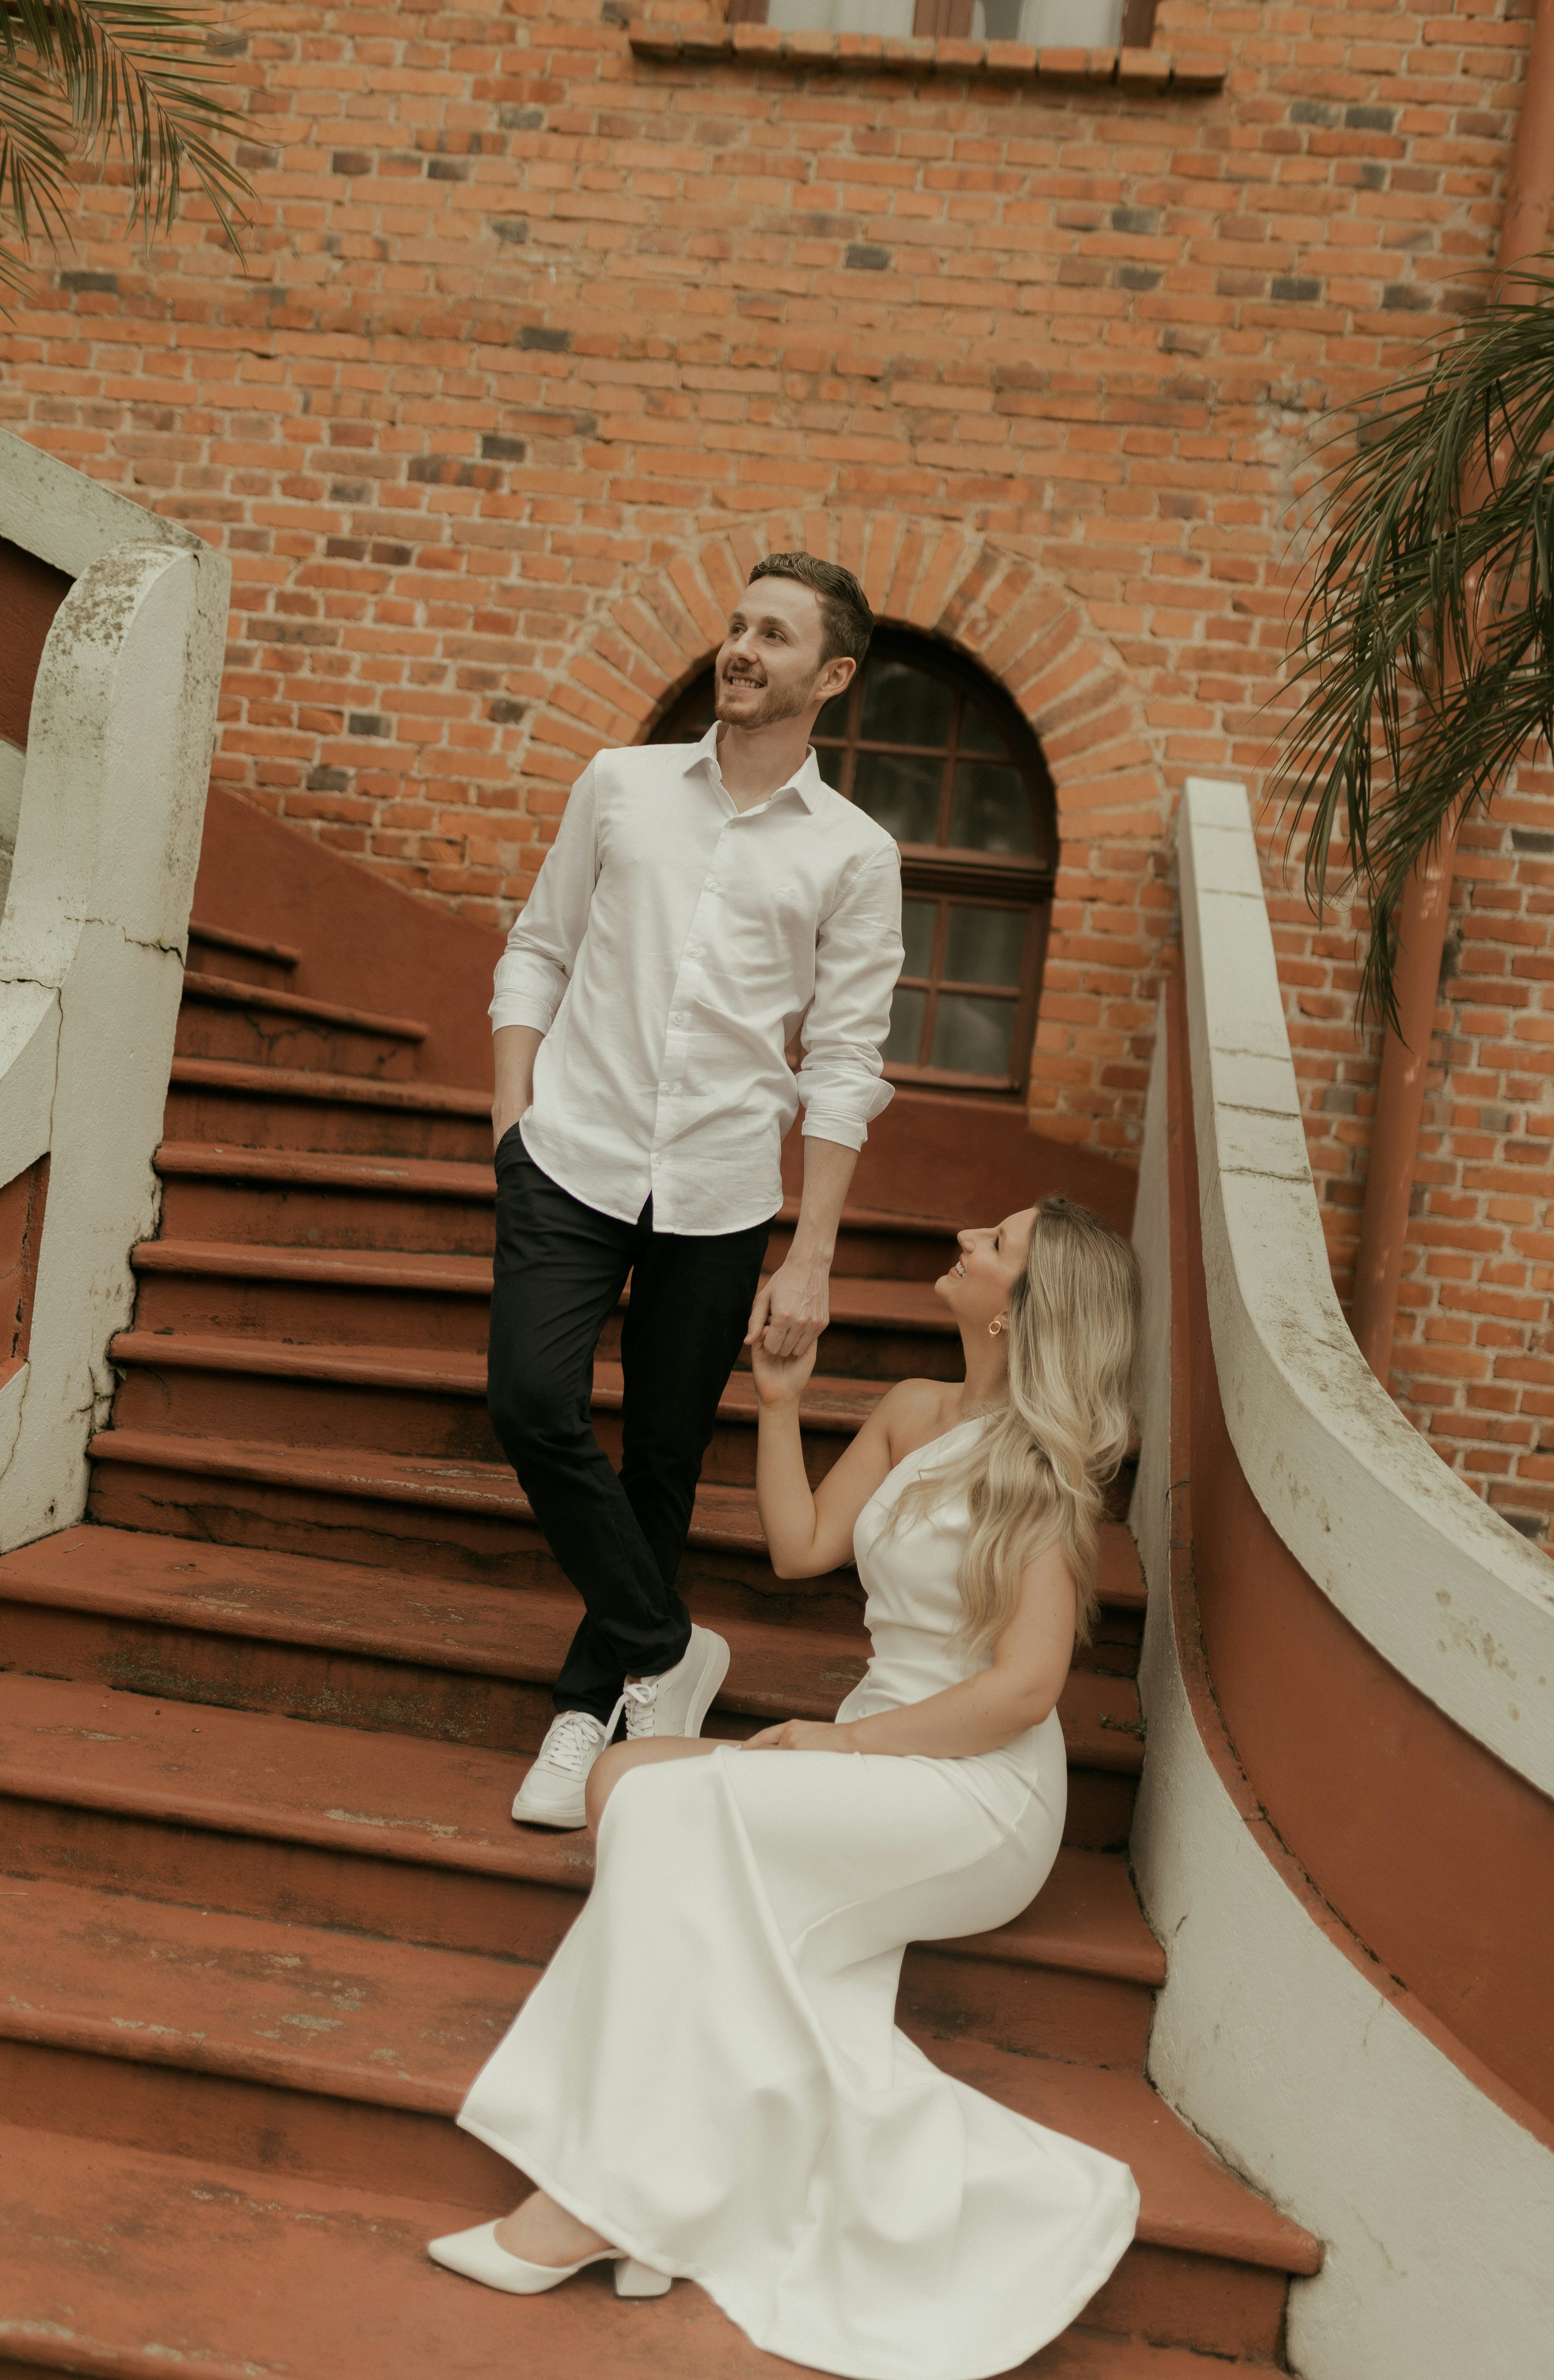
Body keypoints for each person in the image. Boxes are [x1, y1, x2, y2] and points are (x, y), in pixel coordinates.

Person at [430, 1194, 1144, 2380]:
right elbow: (801, 1546)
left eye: (997, 1244)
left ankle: (596, 2199)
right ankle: (652, 2198)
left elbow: (1023, 1692)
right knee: (619, 1777)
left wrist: (847, 1750)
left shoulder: (1043, 1470)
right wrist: (780, 1403)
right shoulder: (919, 1412)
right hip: (871, 1745)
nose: (966, 1238)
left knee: (654, 1802)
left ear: (1025, 1312)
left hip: (972, 1792)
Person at [488, 550, 904, 1827]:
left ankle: (591, 1702)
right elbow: (540, 948)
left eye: (774, 636)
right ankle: (669, 1645)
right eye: (737, 626)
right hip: (572, 1153)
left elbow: (843, 1062)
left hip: (722, 1187)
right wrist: (512, 1118)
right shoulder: (618, 785)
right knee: (533, 1399)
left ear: (830, 675)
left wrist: (814, 1252)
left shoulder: (854, 853)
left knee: (665, 1458)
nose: (741, 649)